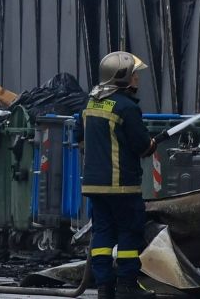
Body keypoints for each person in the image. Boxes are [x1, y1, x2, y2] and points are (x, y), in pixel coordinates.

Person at [78, 51, 157, 299]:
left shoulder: (91, 104)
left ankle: (104, 287)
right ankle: (127, 285)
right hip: (121, 185)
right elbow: (142, 146)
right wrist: (152, 144)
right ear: (121, 77)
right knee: (129, 232)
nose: (137, 78)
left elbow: (83, 140)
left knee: (102, 233)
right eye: (134, 74)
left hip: (94, 185)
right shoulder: (126, 107)